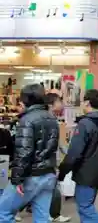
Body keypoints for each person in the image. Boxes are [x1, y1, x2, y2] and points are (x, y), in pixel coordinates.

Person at [0, 84, 59, 222]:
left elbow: (24, 152)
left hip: (31, 176)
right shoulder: (51, 118)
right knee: (42, 217)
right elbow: (52, 146)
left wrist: (17, 179)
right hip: (48, 173)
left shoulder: (26, 120)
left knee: (3, 212)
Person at [58, 89, 98, 223]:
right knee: (88, 205)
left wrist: (62, 171)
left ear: (87, 103)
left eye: (83, 101)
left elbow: (74, 153)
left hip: (85, 172)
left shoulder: (85, 124)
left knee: (85, 207)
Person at [45, 93, 72, 222]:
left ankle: (53, 214)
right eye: (59, 101)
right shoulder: (47, 120)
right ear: (51, 105)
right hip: (46, 162)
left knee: (51, 189)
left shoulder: (53, 119)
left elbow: (58, 143)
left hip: (50, 161)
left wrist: (68, 153)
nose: (61, 104)